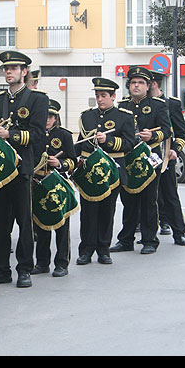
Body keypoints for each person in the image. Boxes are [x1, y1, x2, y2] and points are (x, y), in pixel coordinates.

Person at [0, 51, 49, 288]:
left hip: (22, 167)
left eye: (13, 68)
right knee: (0, 223)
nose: (8, 72)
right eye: (6, 69)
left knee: (24, 220)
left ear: (24, 72)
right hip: (0, 170)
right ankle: (1, 269)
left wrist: (9, 135)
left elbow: (37, 135)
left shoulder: (37, 99)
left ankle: (25, 268)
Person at [75, 78, 137, 265]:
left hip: (112, 171)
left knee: (107, 211)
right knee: (87, 212)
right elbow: (81, 142)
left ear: (113, 96)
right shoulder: (87, 116)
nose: (100, 100)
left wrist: (107, 141)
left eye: (103, 96)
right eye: (97, 96)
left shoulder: (124, 117)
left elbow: (129, 144)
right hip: (89, 171)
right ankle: (86, 250)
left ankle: (103, 250)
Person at [112, 66, 171, 255]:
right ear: (128, 86)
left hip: (149, 158)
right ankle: (126, 240)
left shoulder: (158, 105)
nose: (136, 86)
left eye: (140, 83)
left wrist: (152, 137)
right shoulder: (122, 106)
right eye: (133, 83)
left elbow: (167, 130)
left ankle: (149, 240)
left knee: (148, 200)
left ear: (148, 86)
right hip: (128, 159)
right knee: (128, 199)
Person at [31, 99, 76, 277]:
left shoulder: (64, 135)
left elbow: (72, 161)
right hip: (38, 183)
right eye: (45, 115)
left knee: (62, 225)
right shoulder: (34, 134)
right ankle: (42, 262)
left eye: (51, 116)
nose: (47, 119)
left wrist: (60, 163)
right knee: (40, 225)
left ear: (56, 117)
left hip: (58, 183)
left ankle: (62, 263)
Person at [148, 73, 185, 246]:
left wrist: (175, 150)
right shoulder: (139, 105)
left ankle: (178, 232)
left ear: (154, 84)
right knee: (146, 196)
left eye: (145, 83)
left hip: (165, 156)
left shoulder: (171, 104)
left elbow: (181, 132)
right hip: (145, 156)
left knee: (170, 194)